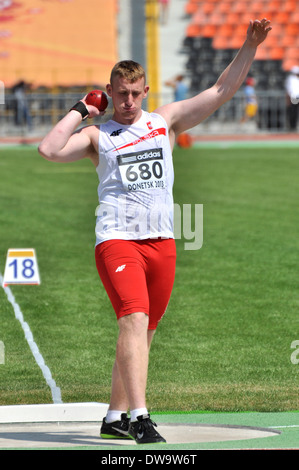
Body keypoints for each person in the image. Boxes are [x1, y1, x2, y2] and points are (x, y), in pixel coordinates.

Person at [38, 18, 271, 445]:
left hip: (162, 241)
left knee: (142, 332)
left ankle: (113, 417)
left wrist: (250, 45)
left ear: (145, 92)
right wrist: (80, 110)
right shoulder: (98, 134)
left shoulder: (163, 122)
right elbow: (49, 149)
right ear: (110, 94)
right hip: (117, 238)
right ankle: (142, 417)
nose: (127, 101)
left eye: (134, 93)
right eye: (119, 94)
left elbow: (220, 91)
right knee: (134, 316)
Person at [285, 65, 299, 131]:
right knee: (293, 111)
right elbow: (289, 89)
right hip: (294, 97)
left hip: (297, 96)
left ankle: (295, 125)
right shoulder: (291, 79)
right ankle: (292, 126)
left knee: (295, 112)